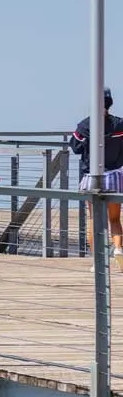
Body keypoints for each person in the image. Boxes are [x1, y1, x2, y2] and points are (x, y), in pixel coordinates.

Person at [70, 87, 123, 265]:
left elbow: (76, 148)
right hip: (115, 175)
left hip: (92, 176)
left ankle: (97, 261)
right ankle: (118, 249)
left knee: (94, 219)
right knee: (114, 219)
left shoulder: (85, 125)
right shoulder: (120, 124)